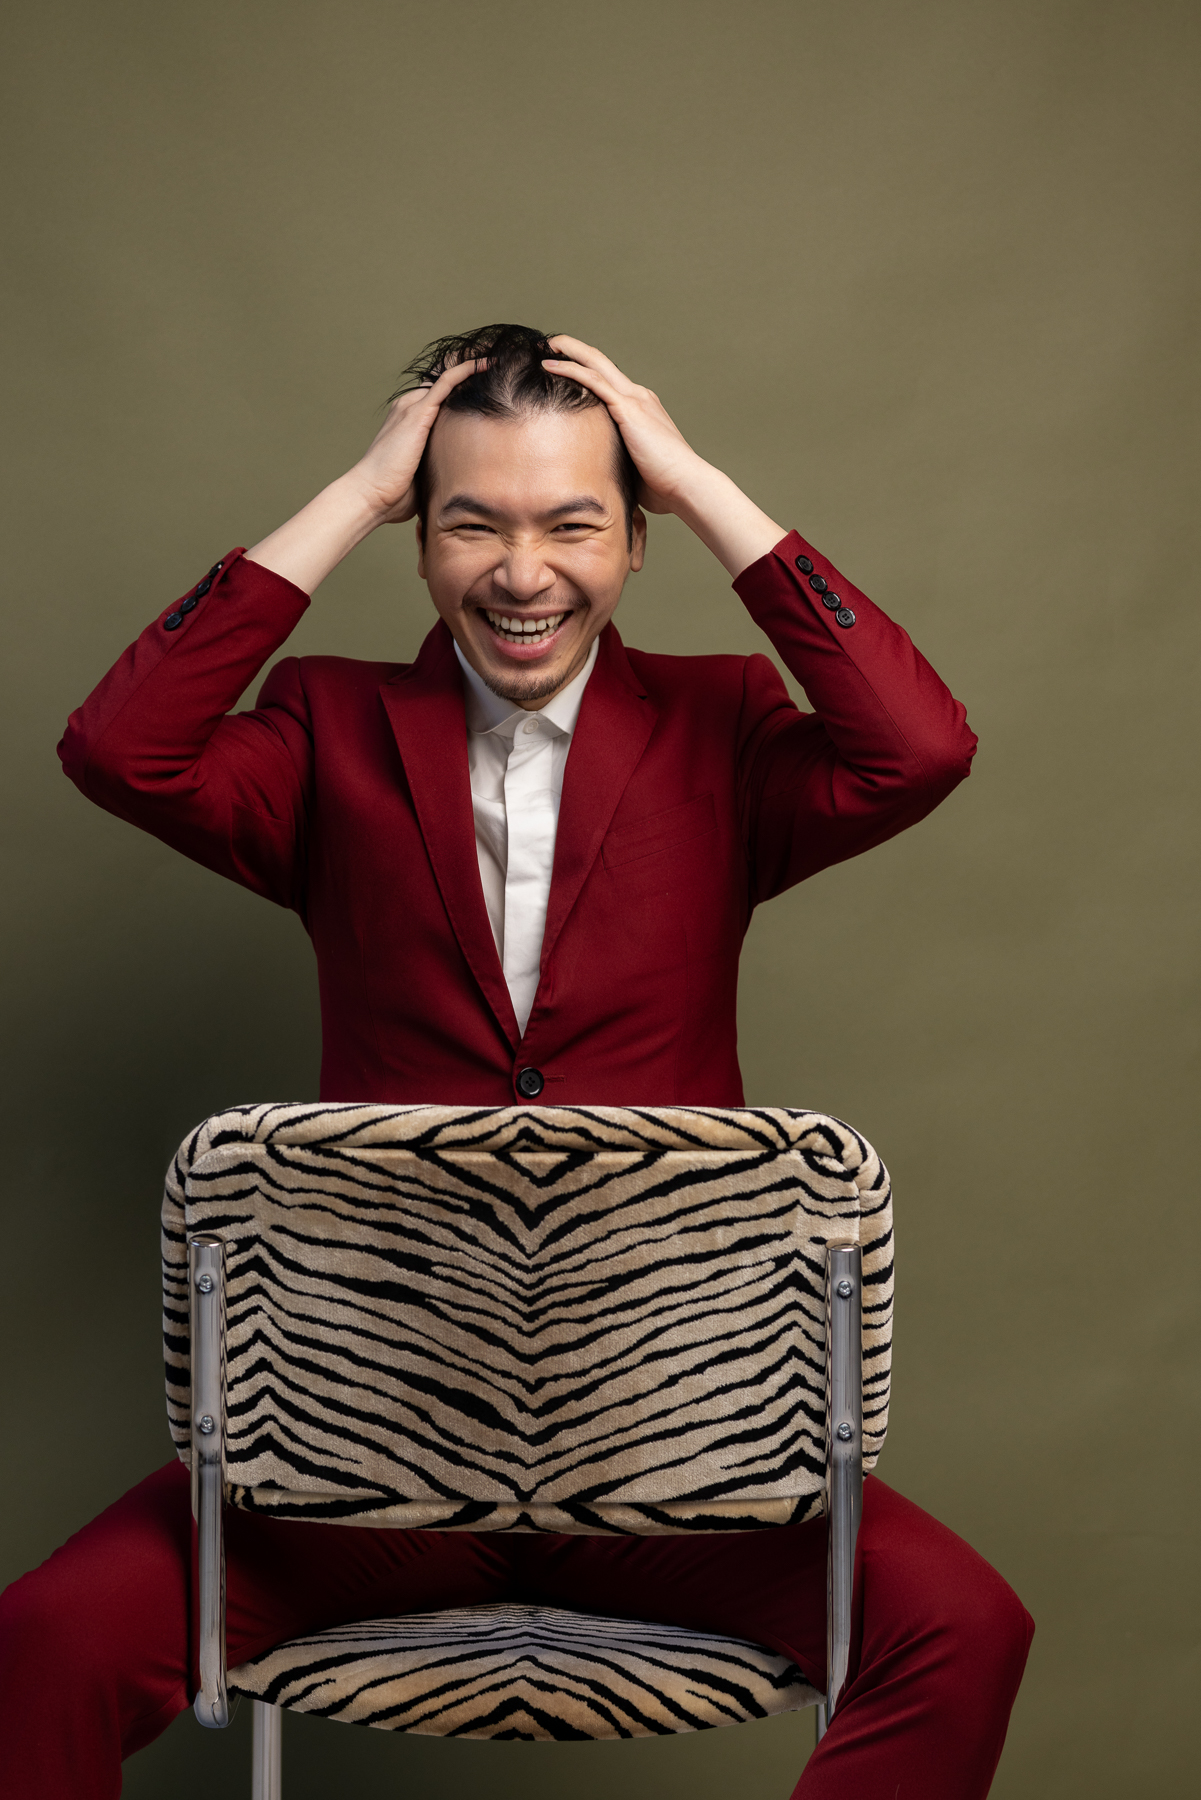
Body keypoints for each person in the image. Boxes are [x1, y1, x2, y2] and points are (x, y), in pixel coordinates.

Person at [0, 325, 1032, 1796]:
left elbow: (917, 750)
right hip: (366, 1461)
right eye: (470, 524)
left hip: (673, 1459)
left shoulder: (725, 726)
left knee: (960, 1627)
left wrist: (694, 478)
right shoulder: (326, 728)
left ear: (636, 540)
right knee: (48, 1638)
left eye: (574, 524)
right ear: (420, 543)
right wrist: (360, 489)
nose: (522, 572)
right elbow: (122, 751)